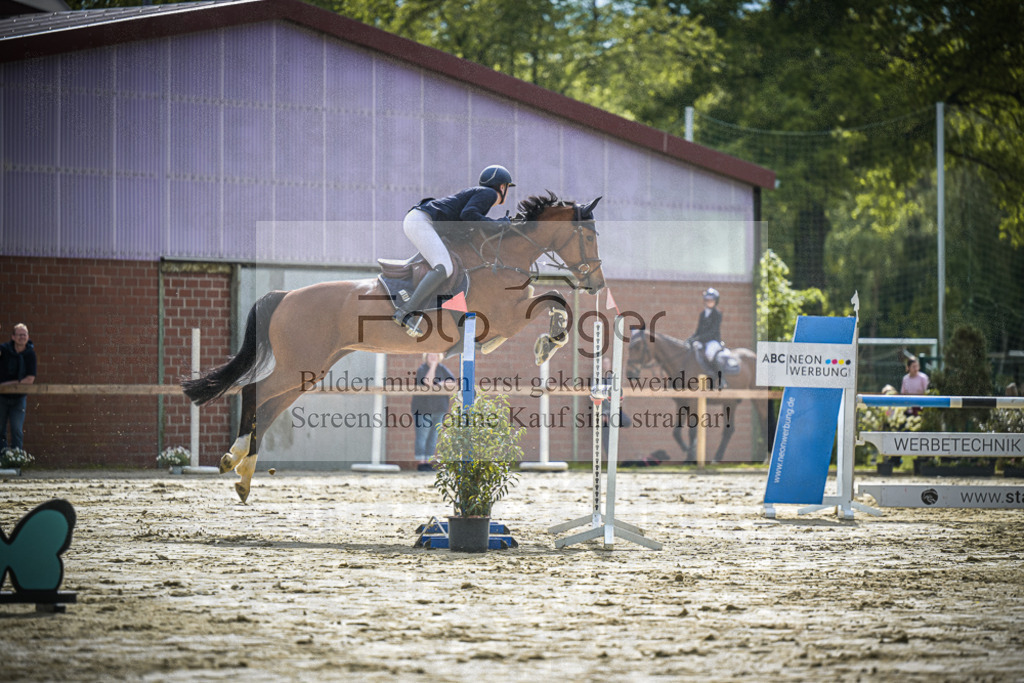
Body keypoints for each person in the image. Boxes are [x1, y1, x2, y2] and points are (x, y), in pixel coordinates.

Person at [392, 165, 515, 337]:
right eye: (507, 188)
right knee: (444, 267)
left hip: (421, 220)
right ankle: (405, 311)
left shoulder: (481, 194)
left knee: (449, 267)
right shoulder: (489, 194)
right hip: (421, 221)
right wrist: (496, 224)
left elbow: (467, 222)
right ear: (503, 187)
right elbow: (469, 214)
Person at [412, 353, 456, 471]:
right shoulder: (422, 369)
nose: (433, 357)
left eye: (435, 355)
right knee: (423, 436)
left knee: (433, 437)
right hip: (422, 409)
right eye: (430, 355)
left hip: (439, 408)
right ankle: (422, 463)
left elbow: (453, 383)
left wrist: (441, 384)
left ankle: (429, 462)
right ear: (426, 357)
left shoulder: (443, 369)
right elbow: (428, 382)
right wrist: (433, 367)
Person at [0, 323, 37, 451]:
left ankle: (16, 459)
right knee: (0, 429)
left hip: (19, 398)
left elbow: (30, 380)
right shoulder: (4, 350)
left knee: (16, 429)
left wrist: (6, 385)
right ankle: (2, 458)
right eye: (19, 335)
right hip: (2, 398)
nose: (22, 337)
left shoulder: (30, 354)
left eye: (25, 334)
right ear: (13, 337)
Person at [689, 288, 724, 366]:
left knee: (709, 353)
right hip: (703, 340)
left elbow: (712, 332)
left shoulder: (717, 314)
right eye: (707, 300)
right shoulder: (703, 314)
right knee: (693, 351)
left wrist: (699, 338)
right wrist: (692, 338)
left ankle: (719, 376)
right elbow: (699, 330)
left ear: (716, 301)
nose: (709, 302)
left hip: (713, 341)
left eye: (711, 300)